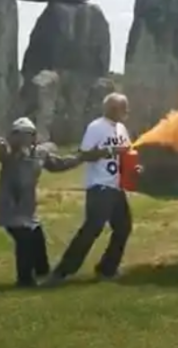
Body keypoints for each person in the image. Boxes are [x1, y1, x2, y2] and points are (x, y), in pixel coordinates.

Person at [0, 117, 104, 288]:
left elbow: (59, 164)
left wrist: (84, 157)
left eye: (26, 134)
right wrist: (1, 147)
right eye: (17, 134)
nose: (22, 138)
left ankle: (42, 273)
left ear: (33, 136)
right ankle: (25, 281)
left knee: (37, 238)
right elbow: (2, 155)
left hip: (28, 210)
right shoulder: (10, 154)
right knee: (25, 242)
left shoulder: (39, 154)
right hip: (10, 208)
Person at [46, 93, 141, 285]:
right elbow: (85, 154)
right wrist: (110, 151)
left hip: (116, 186)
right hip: (100, 186)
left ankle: (107, 269)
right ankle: (62, 272)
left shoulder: (121, 129)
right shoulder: (96, 127)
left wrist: (134, 167)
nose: (127, 112)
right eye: (124, 108)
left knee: (123, 227)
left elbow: (126, 154)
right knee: (92, 229)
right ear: (113, 109)